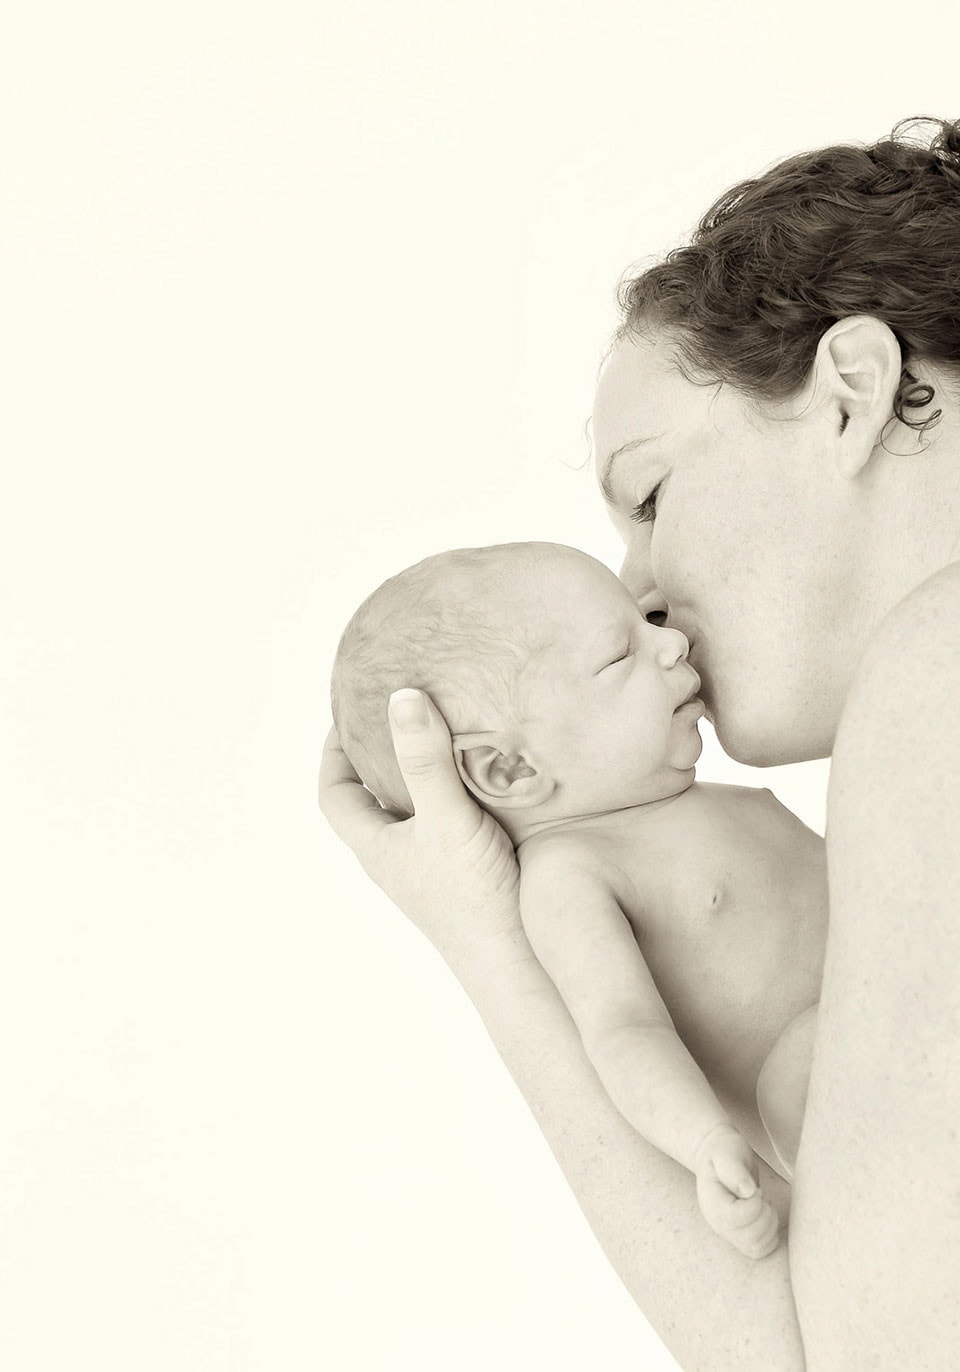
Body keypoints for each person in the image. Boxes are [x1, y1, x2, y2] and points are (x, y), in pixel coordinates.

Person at [319, 116, 960, 1368]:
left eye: (652, 493)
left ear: (853, 390)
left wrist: (489, 936)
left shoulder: (935, 665)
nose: (644, 591)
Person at [331, 541, 828, 1254]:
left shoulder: (705, 802)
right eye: (619, 654)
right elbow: (626, 1032)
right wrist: (705, 1144)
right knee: (803, 1068)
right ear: (508, 766)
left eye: (646, 621)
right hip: (824, 1083)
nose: (671, 640)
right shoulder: (573, 875)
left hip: (915, 992)